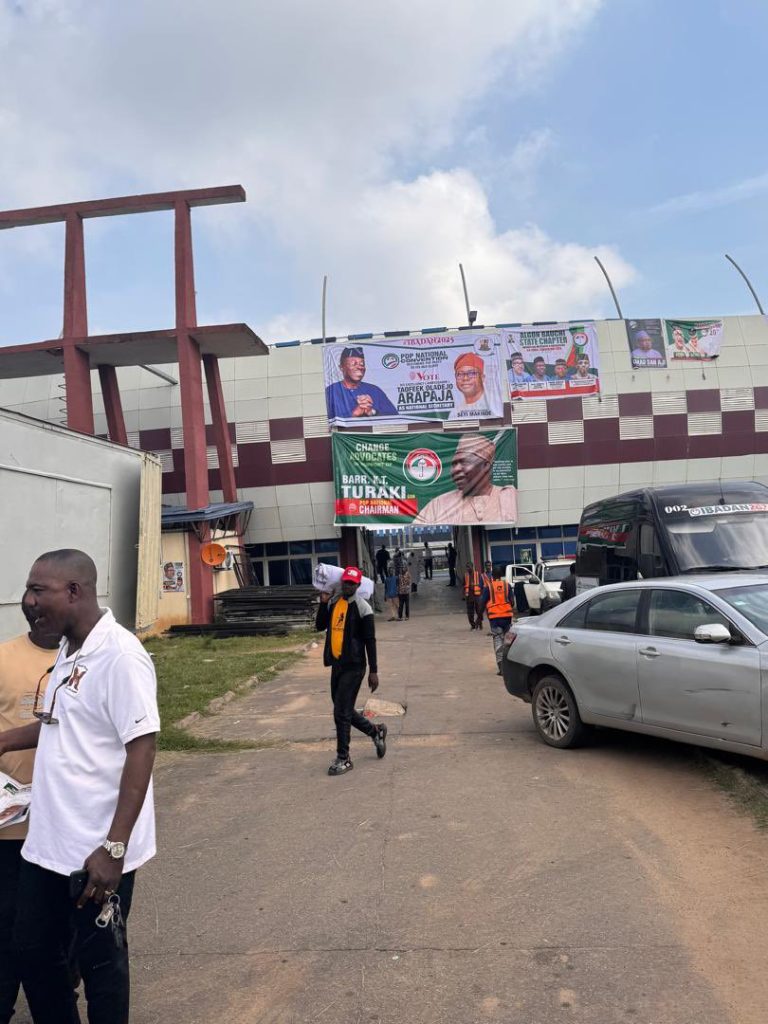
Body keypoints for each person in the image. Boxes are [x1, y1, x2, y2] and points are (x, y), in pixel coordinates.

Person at [0, 549, 160, 1024]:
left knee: (100, 967)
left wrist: (114, 848)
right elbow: (59, 723)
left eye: (37, 590)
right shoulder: (69, 649)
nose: (27, 601)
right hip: (47, 843)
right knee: (30, 951)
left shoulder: (121, 656)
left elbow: (142, 748)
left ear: (75, 591)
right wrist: (5, 740)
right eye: (28, 590)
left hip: (95, 849)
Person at [0, 597, 61, 1024]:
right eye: (28, 594)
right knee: (5, 929)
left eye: (45, 594)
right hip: (7, 829)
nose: (34, 604)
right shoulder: (3, 657)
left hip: (63, 828)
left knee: (56, 935)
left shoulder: (86, 663)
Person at [315, 566, 386, 776]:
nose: (348, 586)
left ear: (358, 585)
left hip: (355, 666)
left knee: (341, 713)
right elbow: (320, 626)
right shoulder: (335, 602)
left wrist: (374, 671)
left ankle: (344, 758)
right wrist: (323, 602)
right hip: (337, 665)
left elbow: (370, 641)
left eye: (352, 583)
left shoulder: (364, 608)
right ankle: (375, 731)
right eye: (345, 582)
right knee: (343, 709)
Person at [412, 435, 517, 525]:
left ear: (485, 466)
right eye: (454, 464)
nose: (455, 470)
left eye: (464, 462)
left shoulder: (509, 497)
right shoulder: (438, 505)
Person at [325, 346, 398, 420]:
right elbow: (325, 421)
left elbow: (394, 418)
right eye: (354, 364)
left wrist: (371, 412)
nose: (359, 367)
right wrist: (354, 414)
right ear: (341, 367)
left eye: (362, 364)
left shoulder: (375, 391)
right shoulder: (331, 392)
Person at [479, 566, 515, 675]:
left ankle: (502, 668)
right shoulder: (506, 585)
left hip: (495, 619)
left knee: (498, 642)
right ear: (501, 575)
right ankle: (510, 666)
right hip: (507, 619)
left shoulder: (488, 587)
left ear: (492, 576)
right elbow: (512, 602)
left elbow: (482, 603)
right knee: (508, 642)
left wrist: (479, 617)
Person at [449, 353, 493, 419]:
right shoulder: (455, 413)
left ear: (482, 377)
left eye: (472, 373)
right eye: (460, 374)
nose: (465, 378)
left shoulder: (494, 405)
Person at [463, 562, 481, 631]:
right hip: (469, 597)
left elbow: (481, 585)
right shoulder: (465, 575)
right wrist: (463, 595)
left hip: (477, 596)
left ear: (472, 567)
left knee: (479, 611)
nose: (468, 568)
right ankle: (473, 625)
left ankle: (478, 624)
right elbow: (463, 586)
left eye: (469, 567)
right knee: (470, 613)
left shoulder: (478, 575)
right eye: (467, 567)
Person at [477, 560, 493, 633]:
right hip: (485, 597)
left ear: (491, 566)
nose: (488, 567)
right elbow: (480, 587)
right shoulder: (482, 576)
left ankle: (492, 629)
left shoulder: (494, 574)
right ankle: (479, 622)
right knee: (485, 612)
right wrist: (481, 597)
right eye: (487, 566)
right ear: (485, 567)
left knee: (492, 613)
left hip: (493, 596)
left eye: (489, 565)